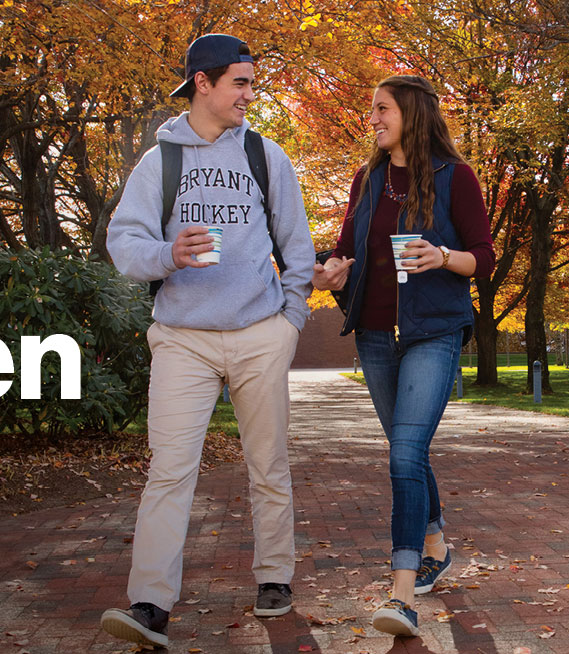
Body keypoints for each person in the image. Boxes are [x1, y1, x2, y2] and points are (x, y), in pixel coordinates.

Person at [101, 34, 315, 648]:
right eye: (239, 83)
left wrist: (290, 323)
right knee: (168, 472)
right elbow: (124, 247)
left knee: (267, 465)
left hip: (258, 335)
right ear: (203, 83)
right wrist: (169, 253)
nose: (250, 93)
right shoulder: (159, 162)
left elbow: (296, 248)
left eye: (251, 82)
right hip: (182, 340)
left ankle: (275, 576)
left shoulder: (265, 156)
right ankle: (149, 603)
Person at [312, 75, 495, 636]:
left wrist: (443, 256)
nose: (372, 119)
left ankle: (402, 594)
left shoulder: (454, 176)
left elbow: (483, 258)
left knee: (404, 453)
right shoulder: (367, 179)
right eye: (371, 110)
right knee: (406, 452)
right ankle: (437, 543)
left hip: (433, 332)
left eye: (381, 109)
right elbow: (346, 248)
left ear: (411, 114)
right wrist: (328, 270)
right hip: (375, 335)